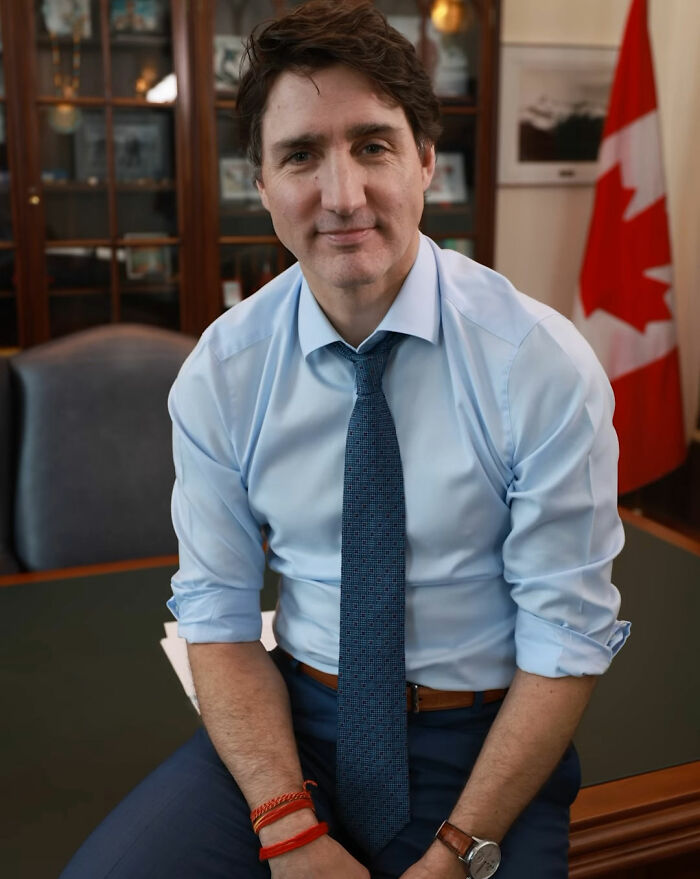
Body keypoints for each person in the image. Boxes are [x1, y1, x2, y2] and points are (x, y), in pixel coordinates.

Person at [60, 2, 629, 878]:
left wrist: (455, 852)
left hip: (478, 744)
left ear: (426, 162)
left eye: (372, 145)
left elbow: (564, 644)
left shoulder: (540, 365)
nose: (342, 196)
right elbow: (215, 622)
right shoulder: (224, 371)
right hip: (299, 734)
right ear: (262, 185)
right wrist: (287, 827)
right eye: (301, 155)